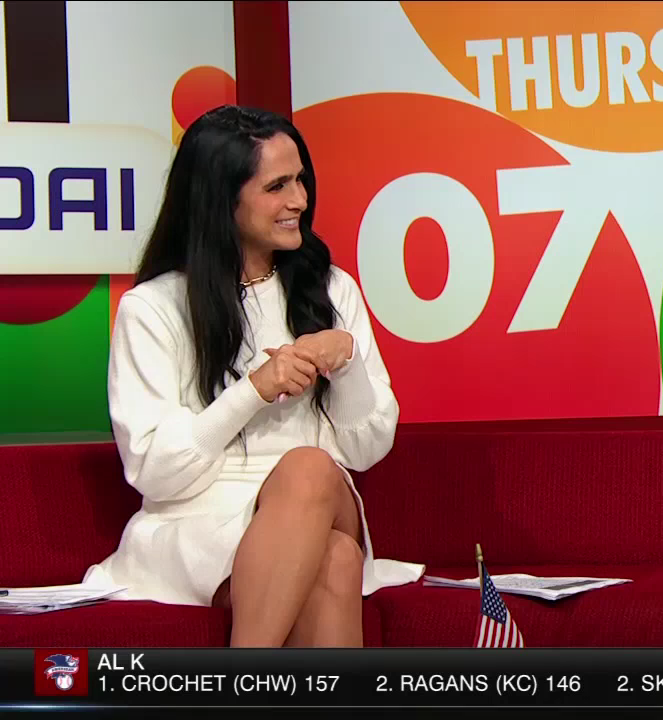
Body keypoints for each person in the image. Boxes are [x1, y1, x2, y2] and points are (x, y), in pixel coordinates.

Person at [83, 105, 425, 647]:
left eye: (301, 180)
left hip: (323, 502)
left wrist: (347, 362)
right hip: (200, 522)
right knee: (335, 561)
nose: (300, 200)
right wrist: (254, 390)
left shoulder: (332, 290)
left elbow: (366, 451)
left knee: (309, 469)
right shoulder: (152, 308)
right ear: (222, 199)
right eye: (277, 186)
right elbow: (155, 471)